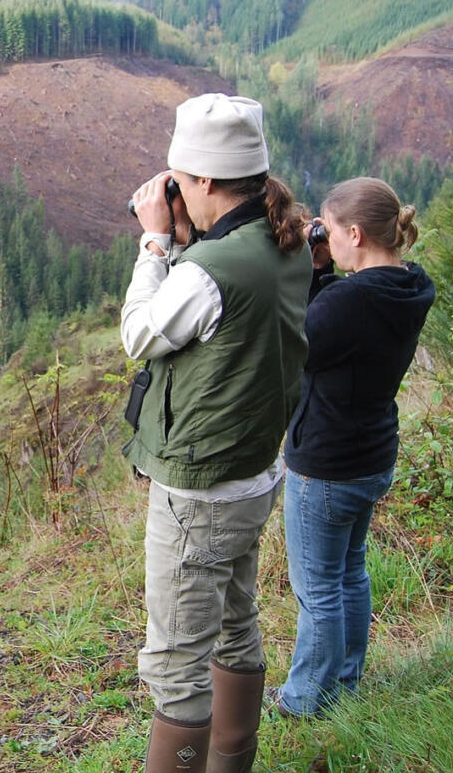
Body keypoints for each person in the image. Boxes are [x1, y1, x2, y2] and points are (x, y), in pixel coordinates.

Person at [120, 93, 311, 773]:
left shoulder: (207, 270)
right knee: (236, 626)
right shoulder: (284, 240)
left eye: (179, 178)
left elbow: (138, 332)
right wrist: (190, 238)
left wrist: (155, 242)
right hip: (256, 474)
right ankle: (234, 763)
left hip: (198, 493)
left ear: (201, 181)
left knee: (177, 666)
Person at [275, 177, 434, 717]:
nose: (330, 240)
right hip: (371, 455)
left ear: (357, 234)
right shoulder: (411, 286)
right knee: (349, 573)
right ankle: (345, 682)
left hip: (326, 464)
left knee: (317, 589)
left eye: (333, 231)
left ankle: (305, 701)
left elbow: (299, 346)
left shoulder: (349, 300)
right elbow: (333, 336)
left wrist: (310, 271)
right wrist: (324, 268)